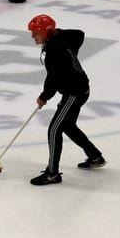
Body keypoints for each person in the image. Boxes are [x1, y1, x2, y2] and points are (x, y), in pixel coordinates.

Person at [27, 14, 104, 186]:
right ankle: (95, 156)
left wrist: (43, 97)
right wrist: (58, 34)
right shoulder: (58, 39)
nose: (33, 36)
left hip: (74, 93)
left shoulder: (54, 52)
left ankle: (52, 174)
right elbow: (79, 34)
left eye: (35, 33)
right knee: (67, 126)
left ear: (45, 32)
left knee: (54, 129)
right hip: (81, 89)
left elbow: (52, 80)